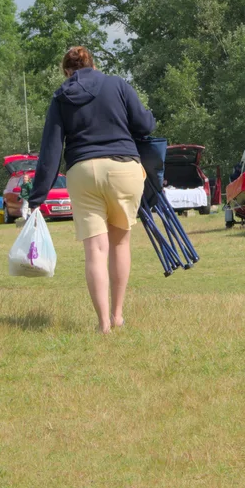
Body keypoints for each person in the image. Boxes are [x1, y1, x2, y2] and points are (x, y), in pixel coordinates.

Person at [28, 45, 155, 333]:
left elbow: (50, 150)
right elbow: (145, 124)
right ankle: (118, 316)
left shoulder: (61, 96)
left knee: (96, 251)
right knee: (120, 243)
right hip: (124, 168)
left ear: (67, 71)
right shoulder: (117, 84)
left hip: (83, 171)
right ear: (93, 65)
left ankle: (102, 325)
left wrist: (37, 197)